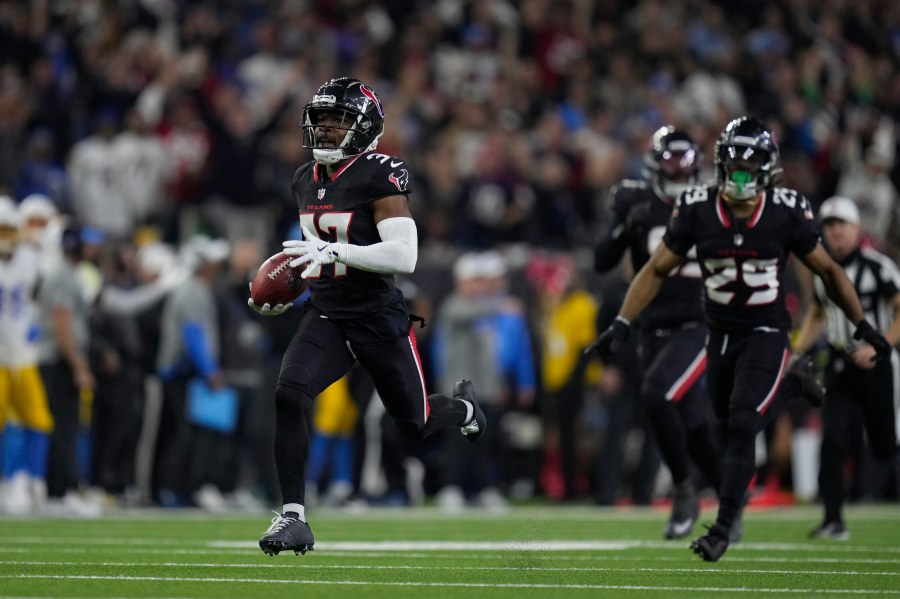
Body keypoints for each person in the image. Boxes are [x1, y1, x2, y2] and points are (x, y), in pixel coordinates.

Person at [585, 116, 890, 562]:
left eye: (750, 167)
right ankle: (792, 384)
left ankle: (723, 527)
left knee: (744, 422)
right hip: (719, 331)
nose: (741, 176)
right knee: (726, 428)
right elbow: (655, 269)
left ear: (767, 170)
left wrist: (862, 325)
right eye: (734, 165)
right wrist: (622, 323)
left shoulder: (786, 209)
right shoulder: (697, 206)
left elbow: (829, 270)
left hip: (765, 330)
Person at [248, 77, 485, 556]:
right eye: (321, 120)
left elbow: (405, 255)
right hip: (328, 314)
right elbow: (314, 260)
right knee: (289, 393)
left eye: (339, 121)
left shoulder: (382, 172)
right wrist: (280, 291)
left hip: (378, 317)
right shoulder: (302, 179)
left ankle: (463, 409)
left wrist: (337, 248)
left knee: (413, 422)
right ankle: (293, 516)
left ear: (365, 128)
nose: (328, 130)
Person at [592, 126, 731, 540]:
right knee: (692, 423)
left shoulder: (711, 202)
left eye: (684, 159)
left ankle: (684, 490)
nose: (676, 168)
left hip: (699, 322)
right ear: (655, 163)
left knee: (656, 392)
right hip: (653, 327)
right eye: (670, 159)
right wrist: (623, 226)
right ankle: (730, 499)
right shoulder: (641, 203)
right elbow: (602, 262)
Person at [793, 196, 900, 540]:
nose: (835, 232)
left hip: (878, 365)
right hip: (840, 363)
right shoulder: (822, 269)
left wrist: (880, 344)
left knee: (886, 443)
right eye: (829, 225)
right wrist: (796, 350)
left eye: (842, 224)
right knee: (833, 439)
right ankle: (833, 518)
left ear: (856, 228)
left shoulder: (876, 267)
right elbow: (820, 313)